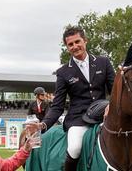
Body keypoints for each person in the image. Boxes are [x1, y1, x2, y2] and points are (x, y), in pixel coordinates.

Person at [30, 26, 115, 171]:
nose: (75, 46)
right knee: (75, 148)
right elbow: (57, 106)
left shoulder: (103, 62)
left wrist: (111, 105)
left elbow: (115, 91)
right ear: (67, 47)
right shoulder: (63, 72)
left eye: (77, 42)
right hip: (78, 119)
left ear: (85, 41)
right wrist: (43, 125)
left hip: (105, 115)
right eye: (70, 44)